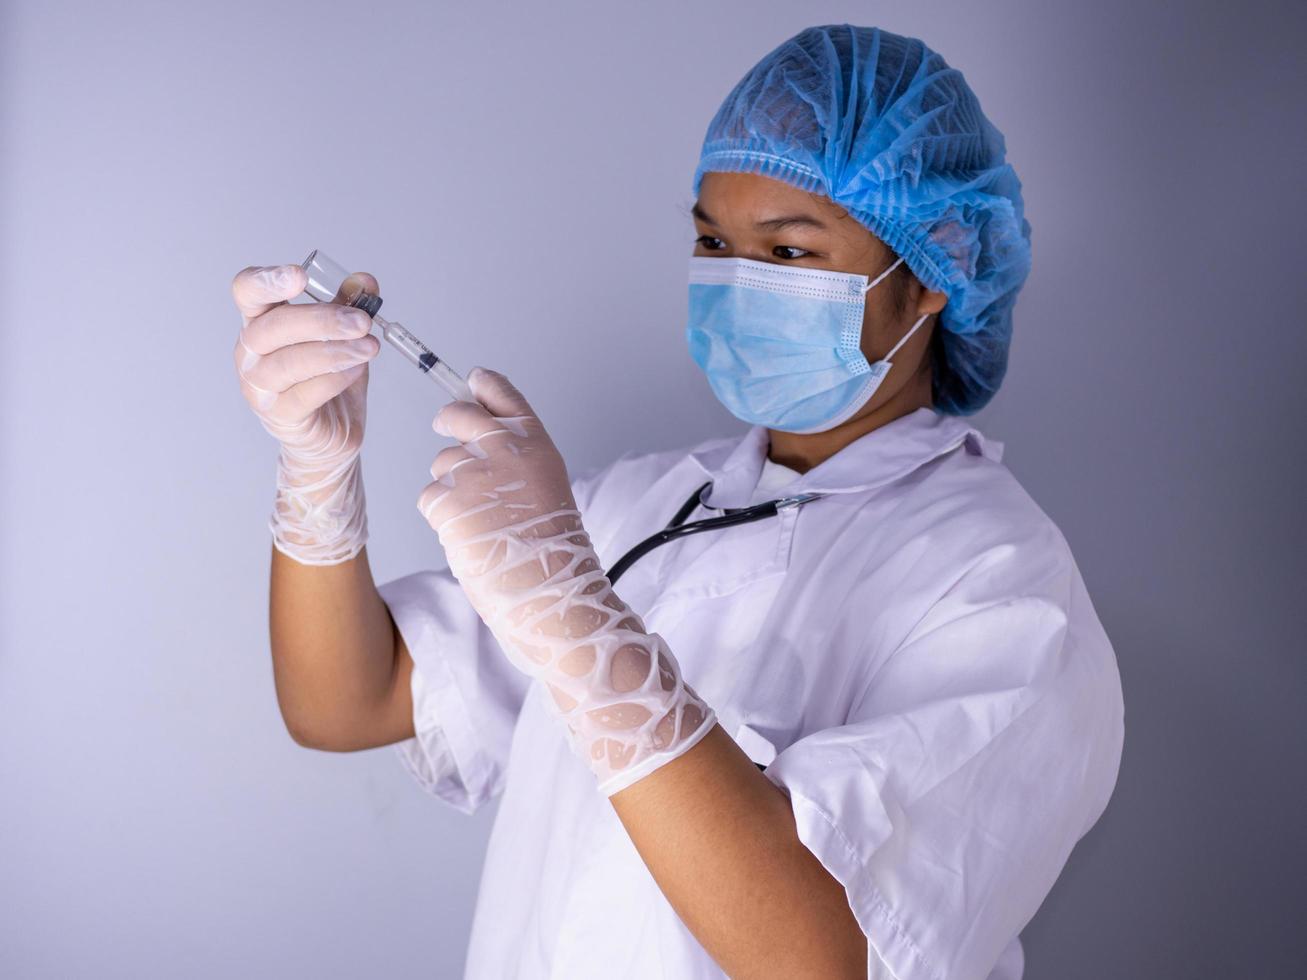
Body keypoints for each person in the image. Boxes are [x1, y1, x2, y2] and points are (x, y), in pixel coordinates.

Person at [230, 23, 1124, 980]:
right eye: (711, 238)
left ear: (930, 274)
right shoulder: (636, 506)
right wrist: (319, 474)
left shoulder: (1000, 588)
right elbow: (343, 702)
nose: (735, 279)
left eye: (787, 252)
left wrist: (579, 622)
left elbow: (829, 957)